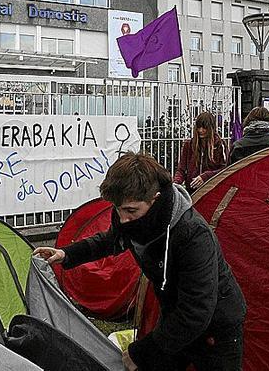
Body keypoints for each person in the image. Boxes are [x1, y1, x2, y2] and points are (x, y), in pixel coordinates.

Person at [34, 152, 246, 371]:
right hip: (174, 315)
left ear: (155, 198)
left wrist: (141, 353)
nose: (123, 218)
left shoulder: (192, 234)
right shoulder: (129, 214)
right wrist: (67, 254)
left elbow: (197, 310)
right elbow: (111, 240)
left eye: (130, 210)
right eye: (118, 209)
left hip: (216, 327)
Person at [173, 111, 228, 193]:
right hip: (191, 190)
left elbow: (226, 169)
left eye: (204, 127)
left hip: (213, 191)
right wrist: (175, 183)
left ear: (211, 128)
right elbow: (182, 169)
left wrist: (205, 177)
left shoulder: (220, 144)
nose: (201, 130)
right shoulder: (189, 145)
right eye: (198, 127)